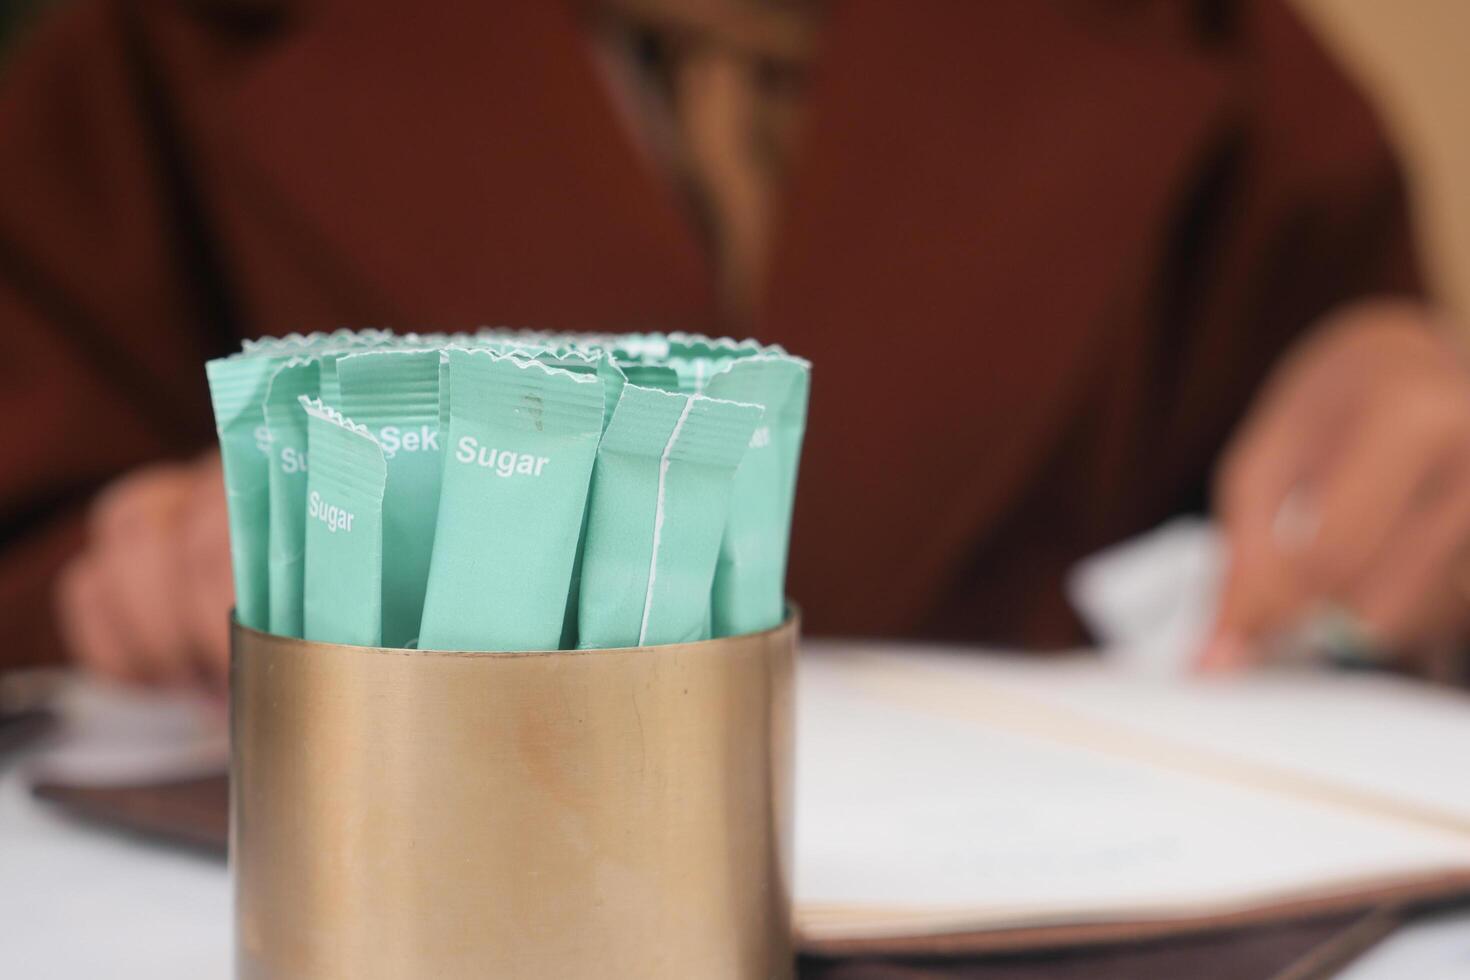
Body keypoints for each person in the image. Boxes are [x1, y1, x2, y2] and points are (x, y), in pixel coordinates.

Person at [3, 0, 1468, 692]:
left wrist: (1407, 464)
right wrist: (131, 564)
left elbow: (1387, 524)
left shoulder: (1225, 57)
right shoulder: (142, 55)